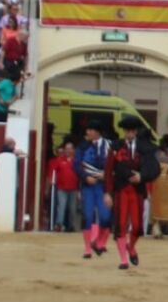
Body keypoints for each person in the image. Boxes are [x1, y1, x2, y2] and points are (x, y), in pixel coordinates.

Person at [106, 115, 161, 269]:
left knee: (137, 227)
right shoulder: (116, 147)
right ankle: (123, 259)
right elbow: (109, 170)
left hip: (137, 190)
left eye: (131, 131)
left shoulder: (145, 147)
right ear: (124, 131)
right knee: (121, 224)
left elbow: (154, 168)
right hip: (121, 190)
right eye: (126, 131)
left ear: (136, 132)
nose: (129, 134)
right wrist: (108, 193)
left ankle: (131, 247)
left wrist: (142, 176)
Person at [76, 123, 112, 260]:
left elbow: (115, 165)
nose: (88, 132)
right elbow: (76, 165)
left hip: (103, 186)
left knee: (105, 216)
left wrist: (108, 175)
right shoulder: (83, 146)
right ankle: (87, 248)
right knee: (87, 216)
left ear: (97, 132)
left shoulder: (109, 146)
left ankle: (99, 242)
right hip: (88, 185)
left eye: (90, 130)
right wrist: (86, 177)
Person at [47, 140, 81, 234]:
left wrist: (79, 190)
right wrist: (50, 182)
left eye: (70, 148)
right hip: (61, 188)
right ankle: (59, 224)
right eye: (66, 148)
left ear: (73, 150)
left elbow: (80, 175)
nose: (68, 150)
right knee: (61, 206)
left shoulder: (77, 161)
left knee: (72, 208)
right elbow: (52, 172)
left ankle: (70, 226)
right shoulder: (59, 160)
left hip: (74, 188)